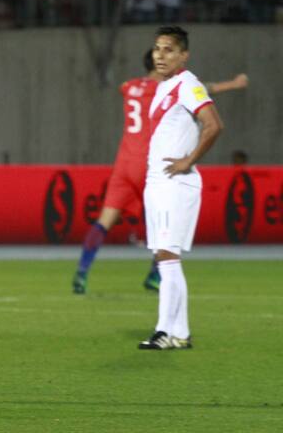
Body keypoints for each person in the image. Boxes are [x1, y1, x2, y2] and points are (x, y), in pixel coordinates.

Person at [72, 49, 247, 295]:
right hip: (149, 165)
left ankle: (81, 274)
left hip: (123, 165)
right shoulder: (164, 88)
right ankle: (156, 276)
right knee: (165, 221)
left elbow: (123, 87)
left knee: (104, 221)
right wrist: (234, 84)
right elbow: (203, 89)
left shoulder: (130, 86)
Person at [138, 25, 223, 350]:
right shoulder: (165, 86)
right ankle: (180, 333)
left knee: (168, 257)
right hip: (157, 181)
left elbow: (214, 125)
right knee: (165, 258)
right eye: (158, 49)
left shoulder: (188, 85)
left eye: (169, 49)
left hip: (176, 182)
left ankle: (162, 331)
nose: (161, 55)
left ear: (183, 55)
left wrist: (189, 160)